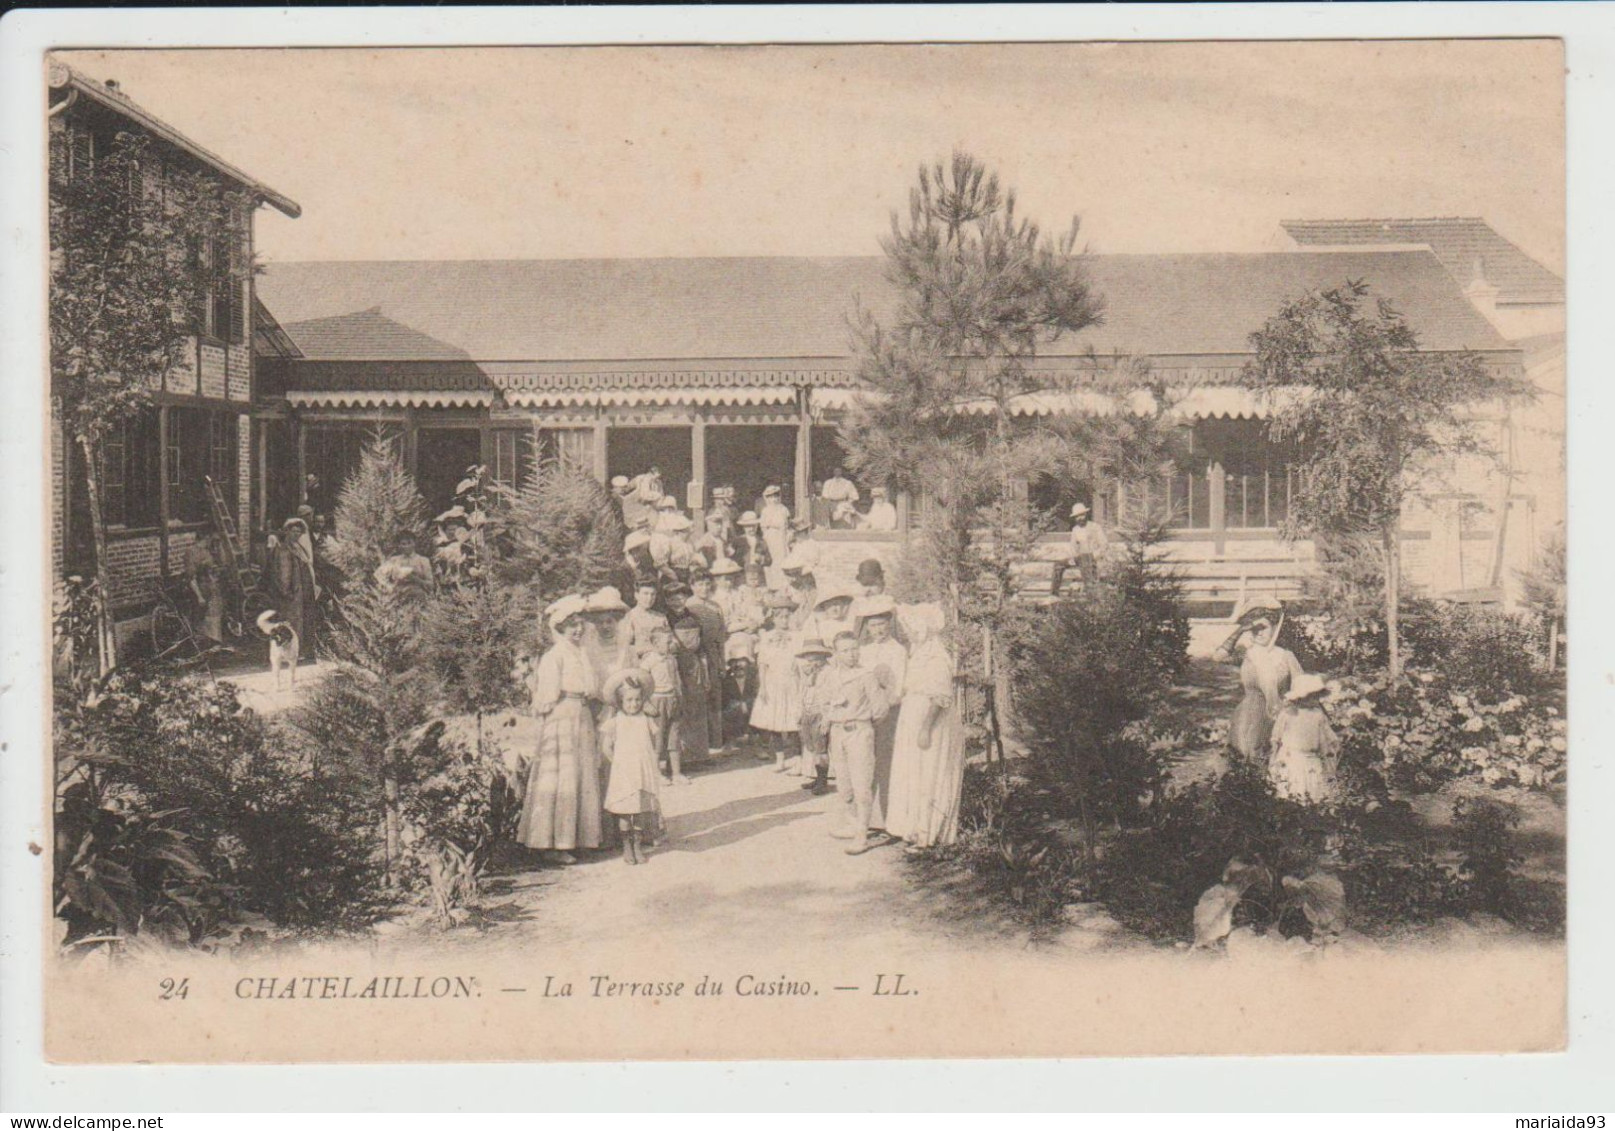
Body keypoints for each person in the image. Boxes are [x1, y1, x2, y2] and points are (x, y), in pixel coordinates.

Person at [516, 595, 603, 865]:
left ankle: (581, 838)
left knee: (582, 774)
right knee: (563, 775)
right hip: (562, 716)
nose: (578, 630)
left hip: (582, 715)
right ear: (561, 628)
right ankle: (554, 843)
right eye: (572, 625)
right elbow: (546, 696)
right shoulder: (554, 656)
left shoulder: (583, 652)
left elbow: (592, 686)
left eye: (580, 624)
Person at [884, 603, 963, 849]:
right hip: (913, 718)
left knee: (929, 773)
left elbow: (940, 697)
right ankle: (914, 828)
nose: (907, 633)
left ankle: (928, 833)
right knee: (914, 774)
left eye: (911, 628)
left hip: (932, 724)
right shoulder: (918, 654)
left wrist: (925, 728)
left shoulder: (937, 657)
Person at [819, 631, 892, 855]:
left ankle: (862, 835)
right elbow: (825, 702)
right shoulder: (831, 676)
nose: (851, 654)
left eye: (854, 649)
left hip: (859, 731)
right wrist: (829, 719)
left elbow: (880, 709)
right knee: (844, 785)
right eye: (845, 650)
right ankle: (852, 824)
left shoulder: (866, 675)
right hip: (838, 732)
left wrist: (863, 724)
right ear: (836, 653)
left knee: (862, 786)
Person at [1215, 604, 1305, 763]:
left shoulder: (1286, 656)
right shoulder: (1247, 654)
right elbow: (1219, 656)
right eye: (1254, 628)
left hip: (1279, 716)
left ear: (1275, 628)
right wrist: (1240, 630)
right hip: (1249, 717)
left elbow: (1302, 689)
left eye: (1263, 627)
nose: (1258, 632)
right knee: (1247, 762)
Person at [854, 594, 908, 836]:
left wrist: (885, 702)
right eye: (873, 625)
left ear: (889, 624)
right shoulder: (863, 651)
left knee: (884, 762)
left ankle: (887, 817)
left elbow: (898, 686)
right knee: (864, 763)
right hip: (865, 712)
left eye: (881, 624)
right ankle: (864, 817)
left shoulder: (897, 651)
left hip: (887, 712)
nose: (877, 630)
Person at [599, 669, 664, 865]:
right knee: (626, 812)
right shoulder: (615, 721)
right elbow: (606, 747)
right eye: (629, 700)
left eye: (637, 699)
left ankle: (637, 845)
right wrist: (619, 763)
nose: (634, 704)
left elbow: (655, 741)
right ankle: (627, 846)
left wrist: (654, 759)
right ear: (620, 701)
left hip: (642, 771)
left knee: (641, 811)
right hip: (625, 773)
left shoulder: (645, 719)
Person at [1269, 673, 1341, 804]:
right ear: (1300, 697)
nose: (1315, 700)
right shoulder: (1288, 714)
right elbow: (1277, 736)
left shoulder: (1318, 715)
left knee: (1314, 788)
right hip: (1291, 757)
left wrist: (1333, 743)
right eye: (1311, 696)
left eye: (1316, 696)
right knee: (1290, 788)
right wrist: (1274, 754)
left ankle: (1312, 810)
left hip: (1311, 758)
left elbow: (1326, 734)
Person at [664, 580, 710, 773]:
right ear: (667, 600)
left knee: (696, 708)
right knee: (677, 711)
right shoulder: (665, 619)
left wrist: (705, 671)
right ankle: (677, 759)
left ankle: (697, 756)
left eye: (681, 597)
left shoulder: (694, 617)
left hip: (694, 666)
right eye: (672, 598)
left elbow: (703, 648)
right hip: (675, 666)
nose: (677, 601)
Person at [749, 597, 800, 767]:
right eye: (780, 617)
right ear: (774, 618)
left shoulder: (797, 636)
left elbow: (800, 661)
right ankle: (780, 758)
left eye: (787, 616)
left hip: (792, 681)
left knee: (793, 721)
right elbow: (763, 664)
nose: (784, 620)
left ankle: (797, 758)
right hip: (773, 682)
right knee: (775, 721)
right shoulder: (767, 637)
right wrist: (763, 687)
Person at [687, 570, 729, 753]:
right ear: (692, 586)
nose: (704, 588)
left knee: (715, 697)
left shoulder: (716, 606)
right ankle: (699, 746)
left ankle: (716, 743)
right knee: (699, 698)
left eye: (706, 584)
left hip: (712, 654)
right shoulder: (688, 606)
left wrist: (722, 661)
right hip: (695, 656)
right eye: (699, 584)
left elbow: (721, 636)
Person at [270, 516, 318, 659]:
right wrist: (286, 591)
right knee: (292, 622)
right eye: (293, 531)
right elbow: (285, 573)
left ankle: (302, 650)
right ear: (287, 532)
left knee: (304, 621)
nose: (296, 534)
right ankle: (290, 653)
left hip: (304, 591)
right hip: (293, 592)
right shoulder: (284, 549)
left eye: (299, 531)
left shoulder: (298, 546)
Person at [641, 624, 683, 783]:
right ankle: (657, 774)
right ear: (655, 643)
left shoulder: (672, 659)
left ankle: (677, 773)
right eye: (667, 642)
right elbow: (642, 683)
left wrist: (679, 696)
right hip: (657, 699)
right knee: (657, 739)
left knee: (674, 736)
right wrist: (646, 703)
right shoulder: (649, 661)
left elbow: (676, 679)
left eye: (670, 641)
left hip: (672, 698)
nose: (670, 645)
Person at [792, 638, 833, 782]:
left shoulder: (829, 673)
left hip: (820, 713)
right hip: (807, 712)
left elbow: (831, 698)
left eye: (816, 659)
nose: (812, 663)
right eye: (808, 660)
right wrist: (799, 712)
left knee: (821, 748)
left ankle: (823, 779)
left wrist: (826, 718)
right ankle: (816, 777)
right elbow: (802, 693)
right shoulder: (807, 673)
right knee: (811, 747)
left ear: (823, 657)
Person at [185, 531, 228, 644]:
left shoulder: (208, 551)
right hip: (201, 588)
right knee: (202, 618)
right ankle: (204, 643)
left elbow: (221, 564)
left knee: (215, 616)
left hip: (212, 588)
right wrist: (199, 596)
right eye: (210, 540)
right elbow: (191, 578)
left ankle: (215, 642)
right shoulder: (191, 552)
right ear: (205, 538)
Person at [620, 577, 670, 663]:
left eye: (652, 594)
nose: (649, 598)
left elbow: (670, 639)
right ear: (636, 595)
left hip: (665, 658)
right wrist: (651, 650)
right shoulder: (630, 617)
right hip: (641, 662)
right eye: (645, 594)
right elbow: (625, 646)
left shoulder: (661, 617)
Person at [374, 531, 434, 600]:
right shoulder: (394, 560)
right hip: (397, 594)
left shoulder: (423, 561)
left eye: (409, 543)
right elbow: (379, 574)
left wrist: (416, 579)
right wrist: (388, 586)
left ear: (414, 543)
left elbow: (431, 585)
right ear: (399, 545)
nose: (406, 546)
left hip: (417, 595)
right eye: (403, 544)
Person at [1064, 502, 1109, 587]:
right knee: (1059, 564)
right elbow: (1073, 546)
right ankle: (1054, 594)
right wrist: (1073, 556)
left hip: (1093, 558)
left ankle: (1090, 590)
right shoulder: (1075, 529)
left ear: (1086, 514)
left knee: (1086, 559)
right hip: (1080, 559)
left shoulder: (1095, 527)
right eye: (1077, 516)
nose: (1080, 518)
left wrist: (1095, 555)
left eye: (1082, 515)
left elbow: (1104, 545)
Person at [759, 485, 792, 588]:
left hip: (782, 537)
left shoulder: (783, 509)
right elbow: (763, 526)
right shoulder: (765, 511)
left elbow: (788, 524)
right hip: (771, 538)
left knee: (783, 558)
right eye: (770, 497)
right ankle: (773, 584)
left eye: (775, 496)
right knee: (773, 560)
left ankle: (785, 584)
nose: (774, 499)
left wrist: (788, 535)